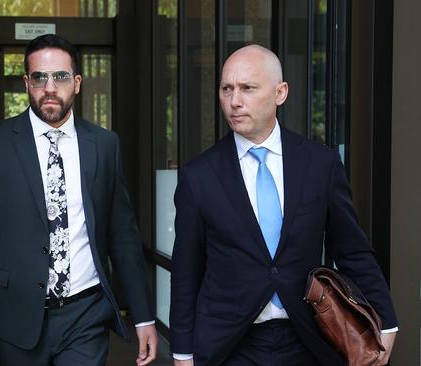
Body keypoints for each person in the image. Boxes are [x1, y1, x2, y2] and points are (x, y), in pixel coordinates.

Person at [169, 45, 398, 366]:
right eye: (227, 89)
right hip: (229, 344)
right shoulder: (199, 175)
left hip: (309, 337)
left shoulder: (320, 164)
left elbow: (352, 250)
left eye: (248, 88)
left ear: (280, 93)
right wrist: (182, 352)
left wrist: (385, 320)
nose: (234, 101)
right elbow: (186, 270)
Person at [0, 34, 158, 366]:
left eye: (60, 76)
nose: (50, 86)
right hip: (13, 317)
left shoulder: (104, 146)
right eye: (39, 77)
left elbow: (122, 235)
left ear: (76, 83)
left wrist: (144, 316)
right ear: (26, 83)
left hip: (85, 315)